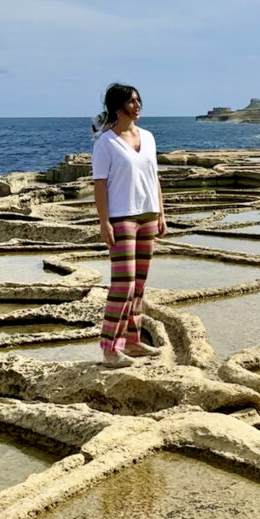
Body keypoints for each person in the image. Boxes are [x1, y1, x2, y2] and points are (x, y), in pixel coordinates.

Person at [91, 83, 167, 368]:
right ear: (117, 107)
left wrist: (161, 213)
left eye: (138, 100)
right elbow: (100, 186)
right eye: (131, 102)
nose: (137, 106)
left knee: (139, 285)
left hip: (148, 215)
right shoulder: (105, 143)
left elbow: (155, 177)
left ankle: (133, 342)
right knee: (122, 284)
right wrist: (104, 222)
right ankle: (110, 348)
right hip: (122, 218)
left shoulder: (147, 137)